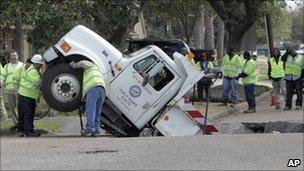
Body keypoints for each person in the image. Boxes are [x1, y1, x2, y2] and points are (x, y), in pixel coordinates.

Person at [71, 60, 106, 137]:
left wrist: (74, 65)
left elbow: (83, 63)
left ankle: (89, 128)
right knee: (97, 111)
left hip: (93, 88)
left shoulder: (91, 65)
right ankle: (96, 131)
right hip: (102, 89)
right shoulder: (98, 69)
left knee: (91, 109)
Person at [18, 54, 43, 137]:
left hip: (28, 95)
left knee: (29, 113)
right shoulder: (32, 71)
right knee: (28, 113)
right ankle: (28, 131)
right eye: (40, 64)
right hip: (26, 95)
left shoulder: (35, 70)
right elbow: (38, 83)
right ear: (36, 63)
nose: (41, 65)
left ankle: (29, 130)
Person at [2, 50, 25, 130]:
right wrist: (1, 81)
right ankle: (16, 123)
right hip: (10, 90)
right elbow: (3, 76)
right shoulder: (7, 66)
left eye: (14, 55)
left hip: (20, 90)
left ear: (17, 56)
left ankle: (22, 123)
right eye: (11, 56)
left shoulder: (22, 65)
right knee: (12, 108)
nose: (13, 57)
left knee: (21, 107)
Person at [15, 57, 32, 132]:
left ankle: (25, 128)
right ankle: (20, 128)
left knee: (27, 112)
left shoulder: (32, 70)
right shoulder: (21, 69)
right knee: (21, 111)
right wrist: (16, 91)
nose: (30, 66)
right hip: (21, 93)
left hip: (29, 94)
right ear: (27, 63)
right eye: (30, 64)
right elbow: (15, 80)